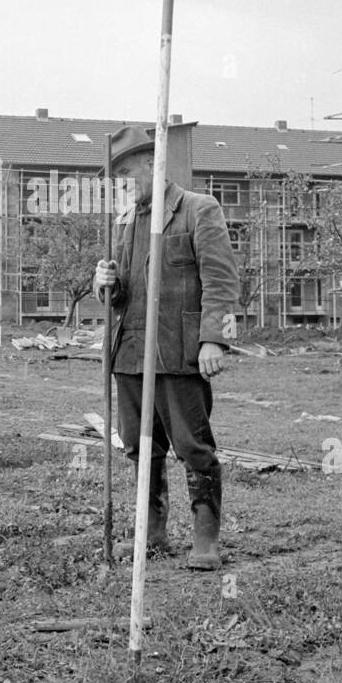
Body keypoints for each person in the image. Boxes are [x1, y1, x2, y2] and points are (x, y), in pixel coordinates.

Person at [94, 124, 240, 571]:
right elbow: (121, 295)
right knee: (141, 447)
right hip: (131, 354)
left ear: (151, 165)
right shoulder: (126, 222)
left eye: (129, 171)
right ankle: (152, 533)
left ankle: (206, 539)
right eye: (117, 174)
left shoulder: (199, 210)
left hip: (180, 355)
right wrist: (105, 285)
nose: (124, 182)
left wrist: (213, 339)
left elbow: (221, 280)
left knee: (192, 446)